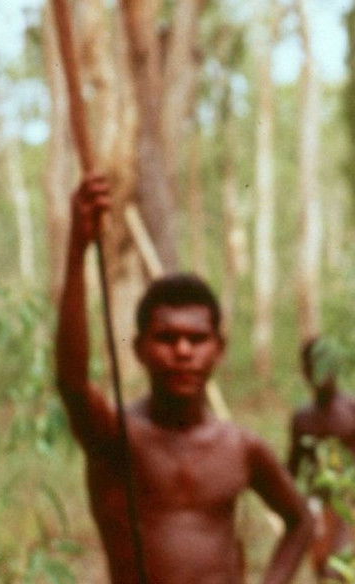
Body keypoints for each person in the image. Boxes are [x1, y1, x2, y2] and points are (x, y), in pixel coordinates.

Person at [57, 174, 315, 584]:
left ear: (219, 348)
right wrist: (77, 249)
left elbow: (300, 520)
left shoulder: (241, 447)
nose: (182, 351)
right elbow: (72, 384)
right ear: (139, 348)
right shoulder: (116, 437)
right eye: (167, 338)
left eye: (196, 339)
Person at [287, 337, 355, 577]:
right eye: (315, 364)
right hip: (321, 509)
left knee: (349, 570)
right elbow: (291, 469)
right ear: (305, 371)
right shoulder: (302, 419)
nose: (323, 372)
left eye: (328, 363)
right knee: (325, 571)